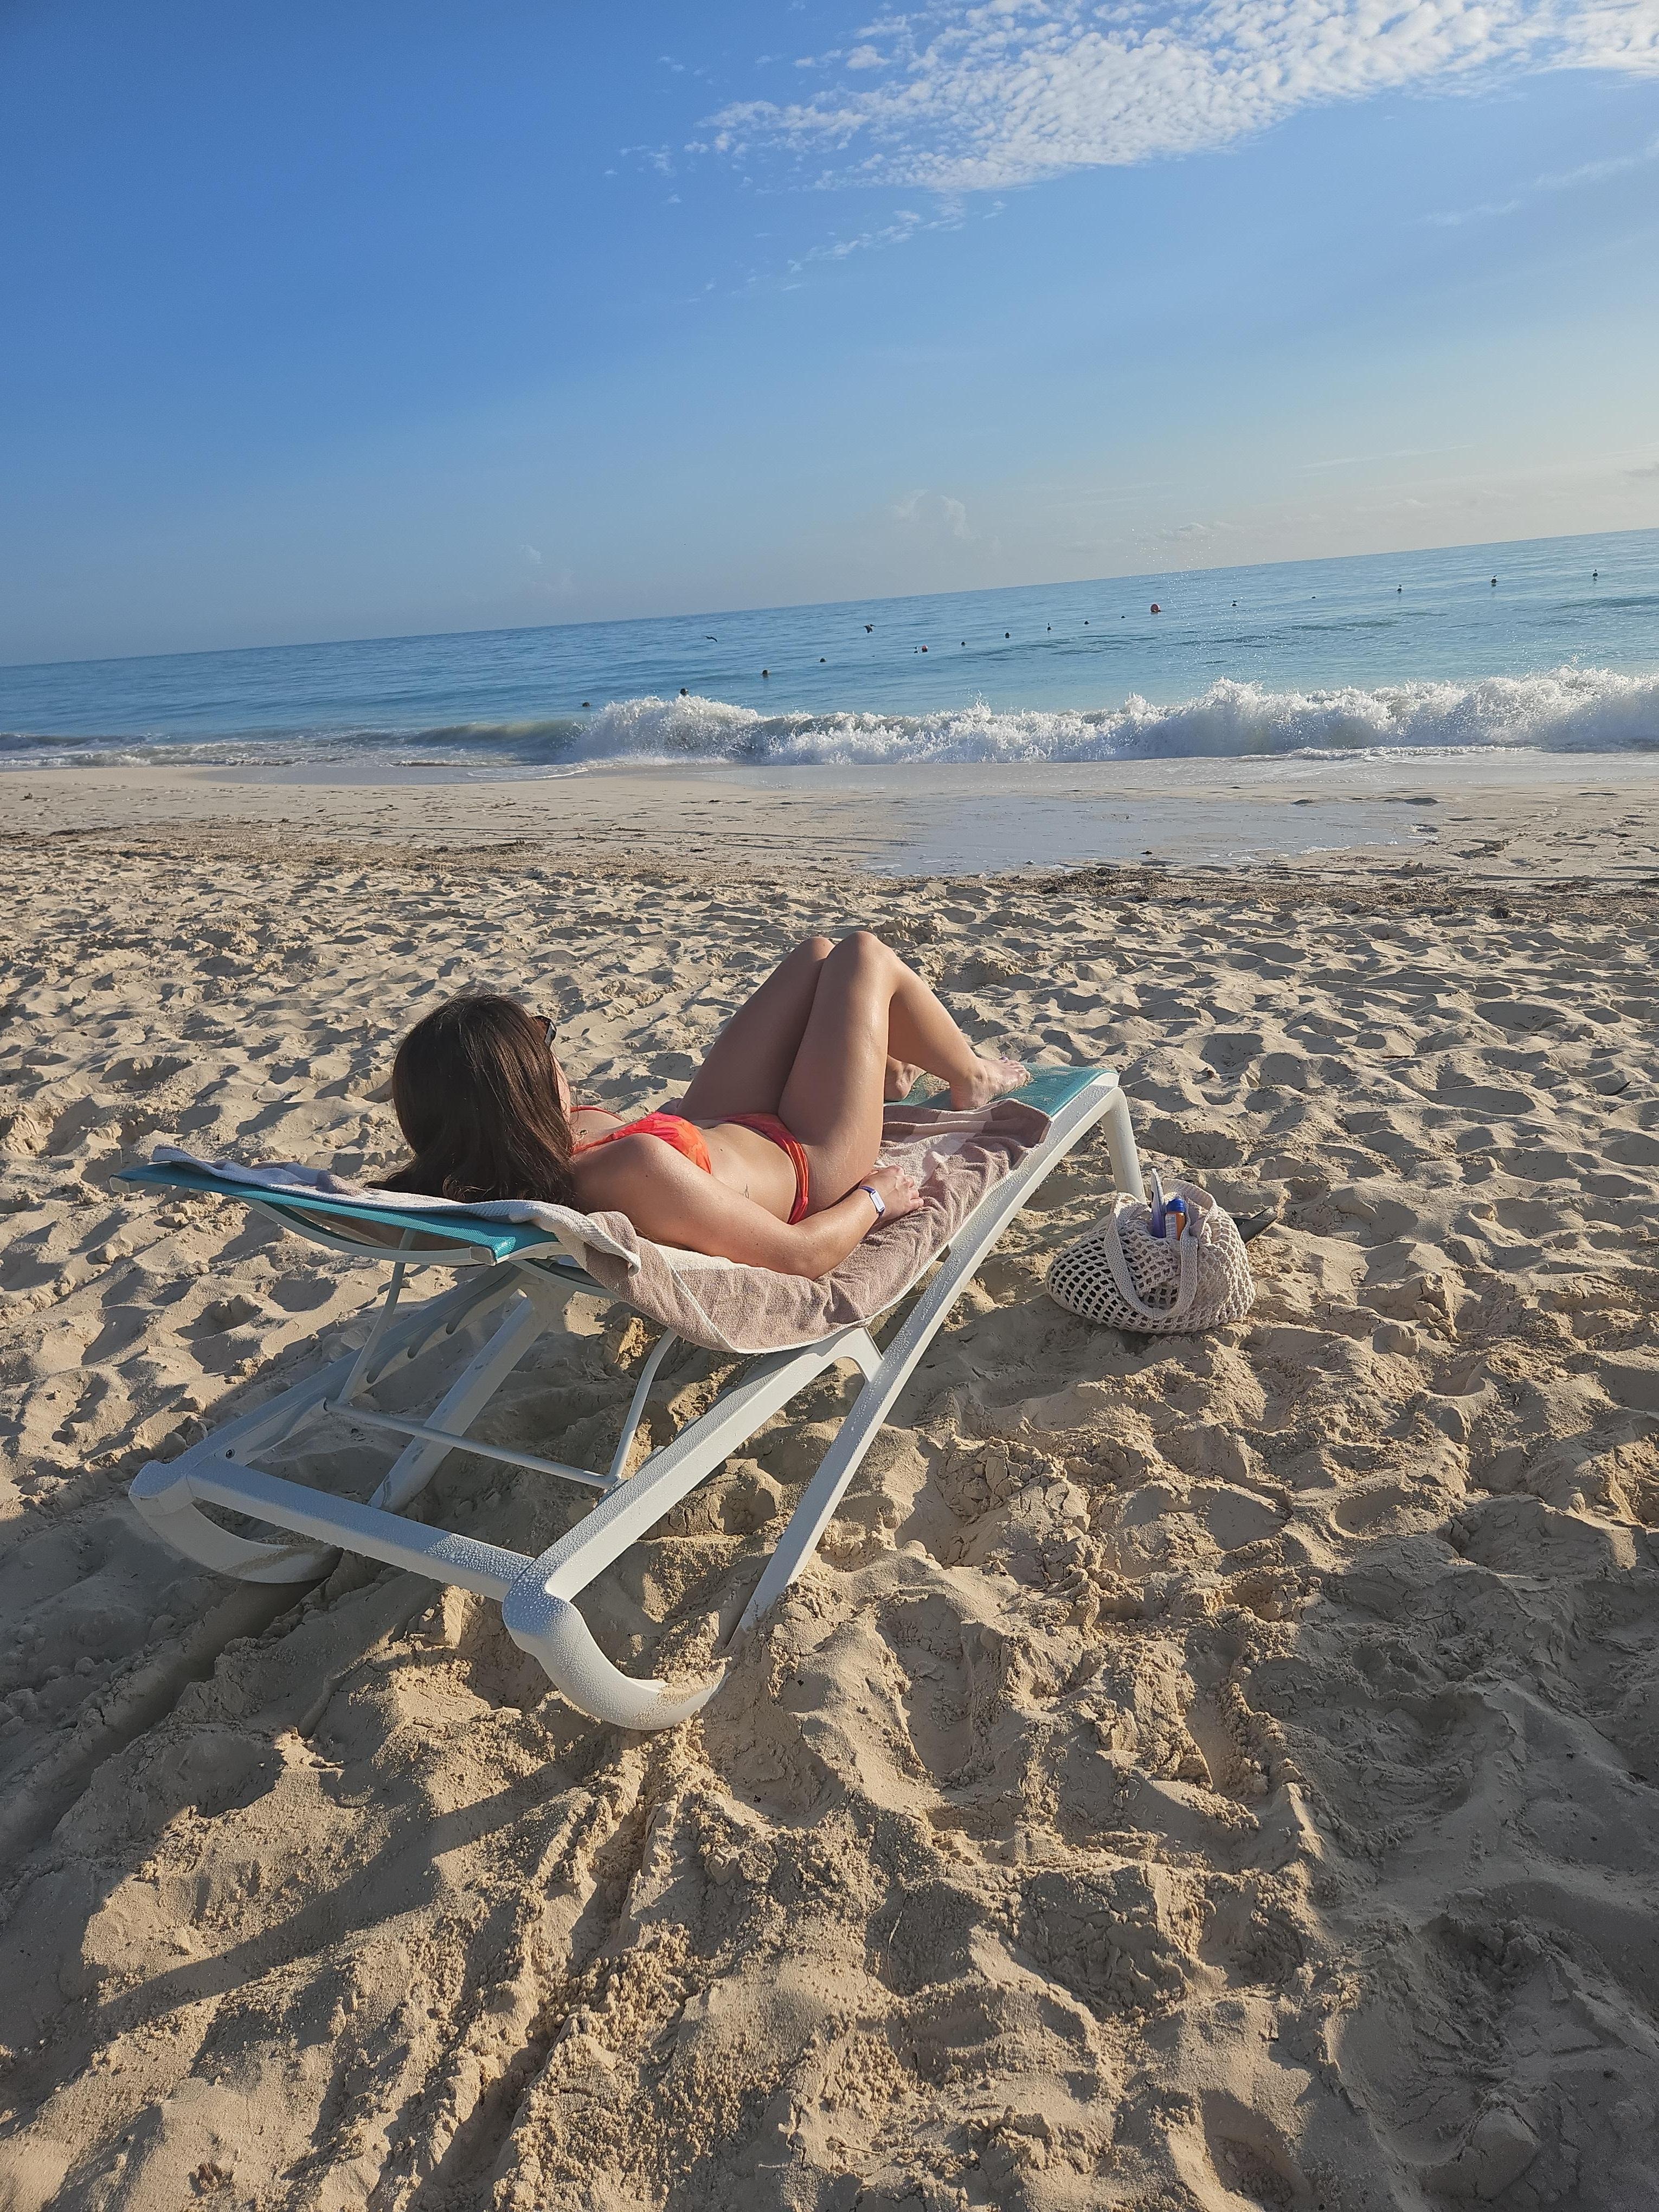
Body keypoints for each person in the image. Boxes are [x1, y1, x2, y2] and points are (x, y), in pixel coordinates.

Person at [383, 934, 1027, 1278]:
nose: (556, 1049)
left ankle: (879, 1071)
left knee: (817, 957)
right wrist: (876, 1199)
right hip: (809, 1163)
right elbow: (800, 1257)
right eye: (542, 1040)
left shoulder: (518, 1158)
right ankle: (971, 1076)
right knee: (862, 956)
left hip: (719, 1129)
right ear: (521, 1091)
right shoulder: (628, 1166)